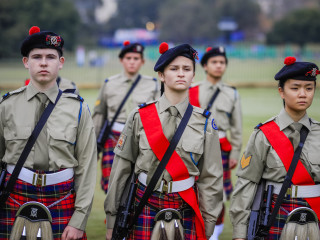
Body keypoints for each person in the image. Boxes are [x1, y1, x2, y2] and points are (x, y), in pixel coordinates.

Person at [104, 42, 223, 240]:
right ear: (161, 75)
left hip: (185, 206)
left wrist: (208, 224)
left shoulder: (205, 121)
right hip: (144, 203)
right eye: (174, 69)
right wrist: (112, 220)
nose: (181, 74)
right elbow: (121, 169)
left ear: (194, 75)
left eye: (187, 69)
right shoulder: (139, 116)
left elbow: (211, 177)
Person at [0, 26, 97, 240]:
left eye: (51, 57)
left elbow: (87, 168)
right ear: (26, 62)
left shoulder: (78, 109)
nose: (43, 62)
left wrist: (79, 219)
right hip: (14, 196)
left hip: (61, 198)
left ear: (60, 63)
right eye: (37, 57)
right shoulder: (6, 106)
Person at [230, 56, 320, 239]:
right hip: (274, 213)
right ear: (281, 92)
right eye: (295, 88)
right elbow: (246, 184)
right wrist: (240, 233)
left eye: (309, 88)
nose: (303, 94)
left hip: (315, 215)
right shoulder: (263, 134)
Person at [189, 46, 242, 239]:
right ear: (204, 65)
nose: (219, 66)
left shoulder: (231, 93)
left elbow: (237, 127)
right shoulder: (192, 91)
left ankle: (214, 234)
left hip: (221, 149)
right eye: (214, 62)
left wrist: (235, 153)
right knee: (194, 190)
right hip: (195, 147)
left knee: (217, 192)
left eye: (222, 62)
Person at [92, 40, 159, 193]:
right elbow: (99, 116)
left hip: (142, 139)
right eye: (128, 58)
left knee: (139, 185)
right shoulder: (109, 84)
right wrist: (94, 148)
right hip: (114, 138)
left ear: (142, 61)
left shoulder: (152, 85)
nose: (132, 62)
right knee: (112, 185)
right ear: (121, 60)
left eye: (136, 59)